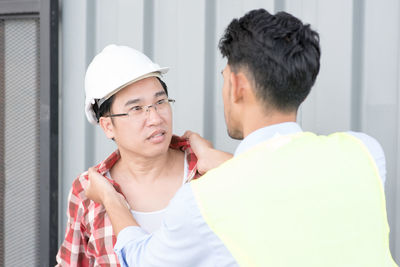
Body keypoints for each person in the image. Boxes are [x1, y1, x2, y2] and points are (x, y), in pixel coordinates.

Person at [85, 9, 397, 267]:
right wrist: (220, 161)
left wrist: (111, 198)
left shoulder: (203, 201)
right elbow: (283, 182)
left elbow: (140, 260)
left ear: (237, 86)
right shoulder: (365, 153)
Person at [56, 45, 199, 266]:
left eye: (160, 102)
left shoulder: (205, 173)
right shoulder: (87, 190)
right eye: (136, 108)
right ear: (107, 126)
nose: (155, 118)